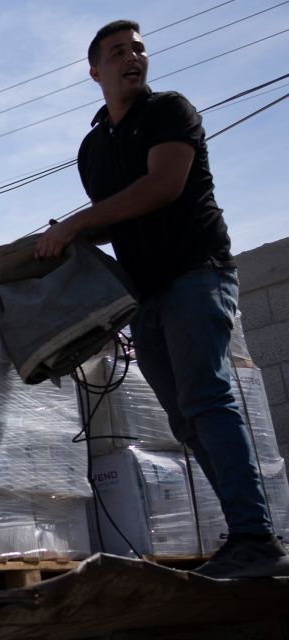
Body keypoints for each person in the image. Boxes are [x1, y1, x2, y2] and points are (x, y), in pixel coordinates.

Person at [35, 20, 287, 578]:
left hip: (197, 277)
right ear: (94, 70)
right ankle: (250, 536)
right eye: (119, 52)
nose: (133, 58)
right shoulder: (93, 147)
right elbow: (112, 215)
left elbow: (161, 187)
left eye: (139, 49)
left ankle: (254, 535)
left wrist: (78, 222)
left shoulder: (171, 111)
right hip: (145, 295)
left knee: (207, 399)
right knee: (187, 420)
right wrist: (66, 236)